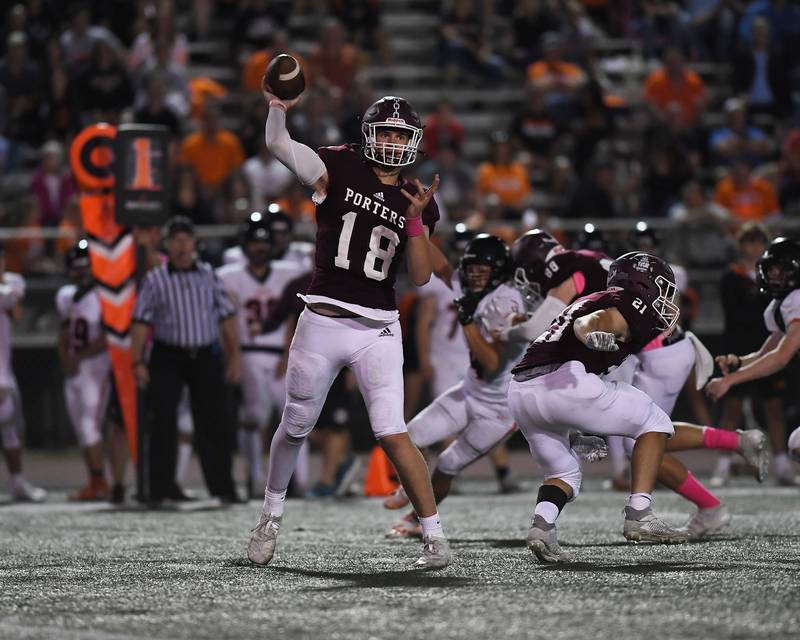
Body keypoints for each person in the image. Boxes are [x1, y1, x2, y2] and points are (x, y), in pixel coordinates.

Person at [247, 88, 450, 570]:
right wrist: (278, 107)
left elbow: (421, 277)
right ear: (369, 134)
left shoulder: (417, 196)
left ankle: (435, 534)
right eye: (386, 131)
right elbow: (279, 146)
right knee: (296, 424)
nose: (394, 141)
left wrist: (417, 221)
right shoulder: (339, 164)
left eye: (402, 134)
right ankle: (271, 515)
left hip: (378, 326)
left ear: (414, 140)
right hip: (323, 318)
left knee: (392, 431)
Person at [509, 251, 687, 563]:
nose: (664, 298)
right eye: (661, 288)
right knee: (655, 422)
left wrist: (574, 432)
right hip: (561, 381)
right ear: (642, 284)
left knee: (564, 471)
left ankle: (542, 528)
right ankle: (640, 513)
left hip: (522, 392)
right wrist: (591, 334)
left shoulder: (600, 297)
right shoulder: (630, 301)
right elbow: (588, 323)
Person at [384, 234, 568, 537]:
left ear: (498, 271)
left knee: (448, 463)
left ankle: (417, 520)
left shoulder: (506, 301)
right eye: (471, 270)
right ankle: (410, 489)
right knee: (409, 436)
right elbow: (443, 267)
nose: (474, 276)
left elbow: (493, 361)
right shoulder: (469, 286)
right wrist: (415, 225)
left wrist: (468, 321)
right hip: (471, 390)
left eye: (482, 270)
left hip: (500, 408)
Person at [131, 216, 241, 506]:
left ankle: (223, 488)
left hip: (205, 354)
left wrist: (234, 358)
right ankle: (161, 489)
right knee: (163, 423)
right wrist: (137, 361)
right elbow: (140, 321)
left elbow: (227, 318)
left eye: (185, 239)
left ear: (194, 243)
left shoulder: (207, 274)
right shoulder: (155, 279)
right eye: (175, 240)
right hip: (167, 354)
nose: (181, 245)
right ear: (167, 244)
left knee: (213, 423)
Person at [216, 214, 309, 498]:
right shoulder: (228, 276)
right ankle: (255, 479)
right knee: (253, 418)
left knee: (296, 418)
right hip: (248, 354)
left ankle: (298, 482)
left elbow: (296, 315)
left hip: (282, 354)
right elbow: (225, 321)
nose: (260, 249)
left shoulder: (289, 272)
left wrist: (287, 352)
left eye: (265, 243)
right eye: (255, 243)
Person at [707, 236, 800, 484]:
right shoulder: (778, 307)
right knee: (797, 444)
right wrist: (739, 362)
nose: (775, 276)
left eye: (782, 270)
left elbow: (781, 358)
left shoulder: (796, 300)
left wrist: (730, 381)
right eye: (772, 270)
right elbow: (765, 353)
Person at [56, 240, 111, 501]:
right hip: (76, 363)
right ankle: (94, 480)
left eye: (86, 267)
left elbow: (107, 337)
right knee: (81, 427)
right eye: (77, 268)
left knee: (90, 425)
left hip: (95, 364)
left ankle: (100, 481)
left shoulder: (103, 295)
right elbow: (63, 332)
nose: (82, 272)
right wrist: (66, 358)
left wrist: (80, 356)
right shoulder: (66, 295)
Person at [0, 242, 46, 502]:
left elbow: (16, 306)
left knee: (14, 427)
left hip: (5, 368)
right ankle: (17, 482)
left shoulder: (12, 281)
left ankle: (17, 482)